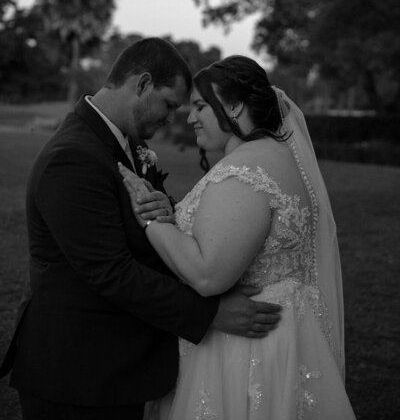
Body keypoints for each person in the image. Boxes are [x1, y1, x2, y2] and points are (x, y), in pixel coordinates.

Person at [0, 39, 281, 420]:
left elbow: (145, 242)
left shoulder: (123, 145)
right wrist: (211, 313)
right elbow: (110, 272)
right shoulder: (73, 157)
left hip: (114, 368)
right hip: (77, 375)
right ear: (143, 84)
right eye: (169, 105)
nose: (171, 119)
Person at [120, 54, 357, 420]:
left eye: (200, 106)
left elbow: (207, 275)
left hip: (243, 353)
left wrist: (152, 222)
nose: (190, 117)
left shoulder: (243, 171)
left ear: (234, 105)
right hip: (284, 340)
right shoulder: (277, 156)